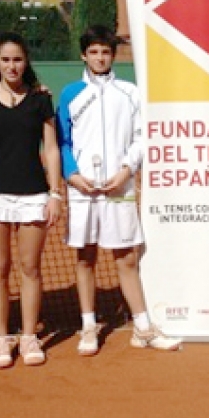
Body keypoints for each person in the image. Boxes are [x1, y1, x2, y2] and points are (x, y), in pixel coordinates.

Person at [56, 25, 182, 356]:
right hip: (82, 189)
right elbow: (62, 141)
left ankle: (143, 327)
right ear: (84, 55)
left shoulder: (130, 92)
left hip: (119, 187)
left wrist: (127, 168)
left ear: (113, 56)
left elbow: (141, 137)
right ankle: (88, 326)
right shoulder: (70, 93)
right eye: (93, 52)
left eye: (105, 52)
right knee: (86, 258)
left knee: (126, 258)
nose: (100, 58)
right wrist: (72, 175)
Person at [0, 32, 62, 369]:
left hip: (34, 194)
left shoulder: (40, 100)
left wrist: (54, 194)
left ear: (26, 62)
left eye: (17, 59)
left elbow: (50, 149)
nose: (12, 65)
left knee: (31, 268)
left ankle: (29, 335)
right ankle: (2, 338)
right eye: (5, 59)